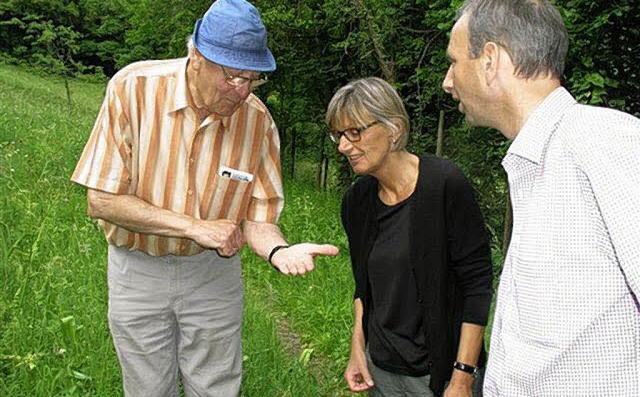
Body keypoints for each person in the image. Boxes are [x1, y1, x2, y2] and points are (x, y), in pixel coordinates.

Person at [71, 0, 338, 395]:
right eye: (232, 76)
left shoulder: (257, 122)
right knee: (147, 388)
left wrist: (279, 251)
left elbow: (258, 219)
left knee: (216, 388)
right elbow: (103, 200)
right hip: (137, 269)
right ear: (195, 55)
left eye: (253, 79)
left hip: (213, 275)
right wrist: (194, 227)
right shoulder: (133, 89)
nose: (242, 90)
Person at [442, 1, 640, 396]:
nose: (448, 81)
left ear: (490, 60)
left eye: (453, 62)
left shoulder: (605, 143)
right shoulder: (536, 160)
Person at [326, 77, 493, 397]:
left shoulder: (445, 184)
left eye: (354, 132)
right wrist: (357, 351)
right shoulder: (357, 202)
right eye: (338, 135)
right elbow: (365, 288)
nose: (343, 146)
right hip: (382, 372)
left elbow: (477, 286)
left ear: (394, 129)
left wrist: (462, 379)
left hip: (442, 375)